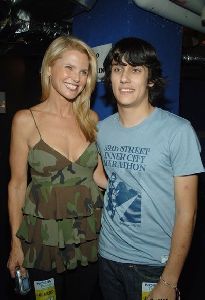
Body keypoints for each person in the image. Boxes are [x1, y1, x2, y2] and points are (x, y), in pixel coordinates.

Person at [96, 37, 204, 300]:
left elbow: (187, 213)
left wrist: (170, 279)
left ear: (151, 79)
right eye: (118, 69)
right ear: (109, 77)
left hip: (154, 263)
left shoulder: (178, 131)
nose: (124, 78)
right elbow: (100, 175)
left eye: (135, 70)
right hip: (107, 255)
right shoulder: (102, 129)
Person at [7, 35, 106, 300]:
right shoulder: (26, 120)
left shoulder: (92, 119)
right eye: (69, 67)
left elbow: (96, 176)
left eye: (84, 71)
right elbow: (17, 185)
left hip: (86, 238)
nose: (77, 77)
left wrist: (140, 184)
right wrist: (16, 245)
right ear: (50, 68)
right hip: (43, 241)